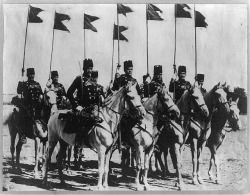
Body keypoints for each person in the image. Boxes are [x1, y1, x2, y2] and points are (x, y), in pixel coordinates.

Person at [67, 59, 102, 146]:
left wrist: (99, 101)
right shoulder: (79, 79)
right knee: (82, 121)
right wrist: (76, 105)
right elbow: (69, 92)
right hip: (82, 108)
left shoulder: (93, 80)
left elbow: (95, 96)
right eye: (88, 68)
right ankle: (79, 142)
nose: (90, 70)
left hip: (93, 108)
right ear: (84, 69)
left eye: (91, 68)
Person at [16, 68, 43, 144]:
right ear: (27, 75)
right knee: (22, 118)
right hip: (27, 106)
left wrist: (40, 99)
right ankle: (22, 135)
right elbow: (18, 91)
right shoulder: (24, 84)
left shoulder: (37, 84)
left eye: (33, 74)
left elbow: (41, 93)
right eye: (30, 74)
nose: (32, 76)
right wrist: (21, 80)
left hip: (37, 106)